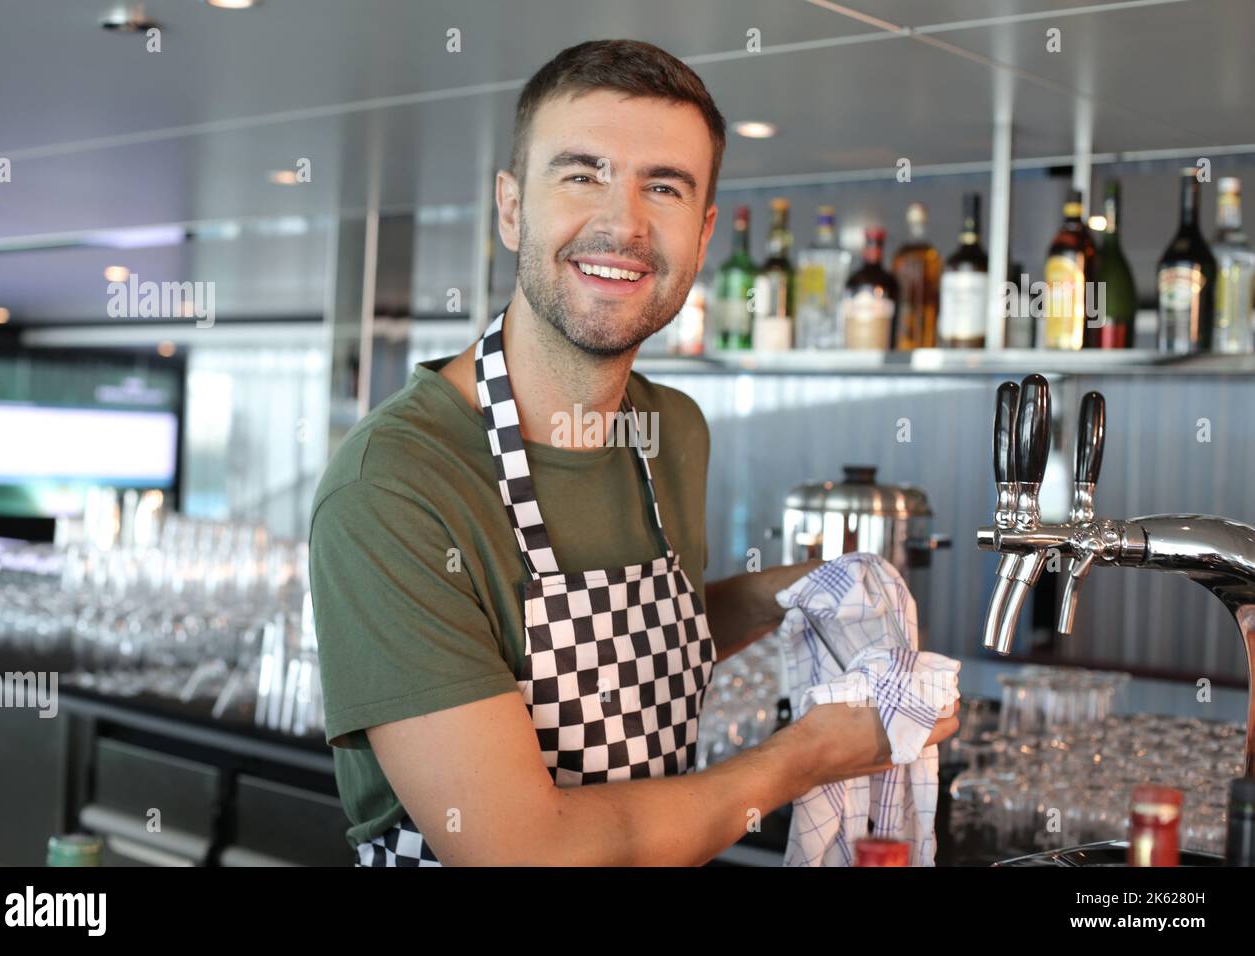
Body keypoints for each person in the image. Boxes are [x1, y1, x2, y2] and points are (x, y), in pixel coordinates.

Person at [308, 38, 958, 867]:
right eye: (581, 174)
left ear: (705, 231)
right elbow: (524, 853)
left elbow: (636, 646)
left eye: (665, 186)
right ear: (510, 208)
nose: (624, 223)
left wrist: (788, 593)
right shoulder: (396, 486)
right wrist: (807, 756)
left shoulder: (672, 430)